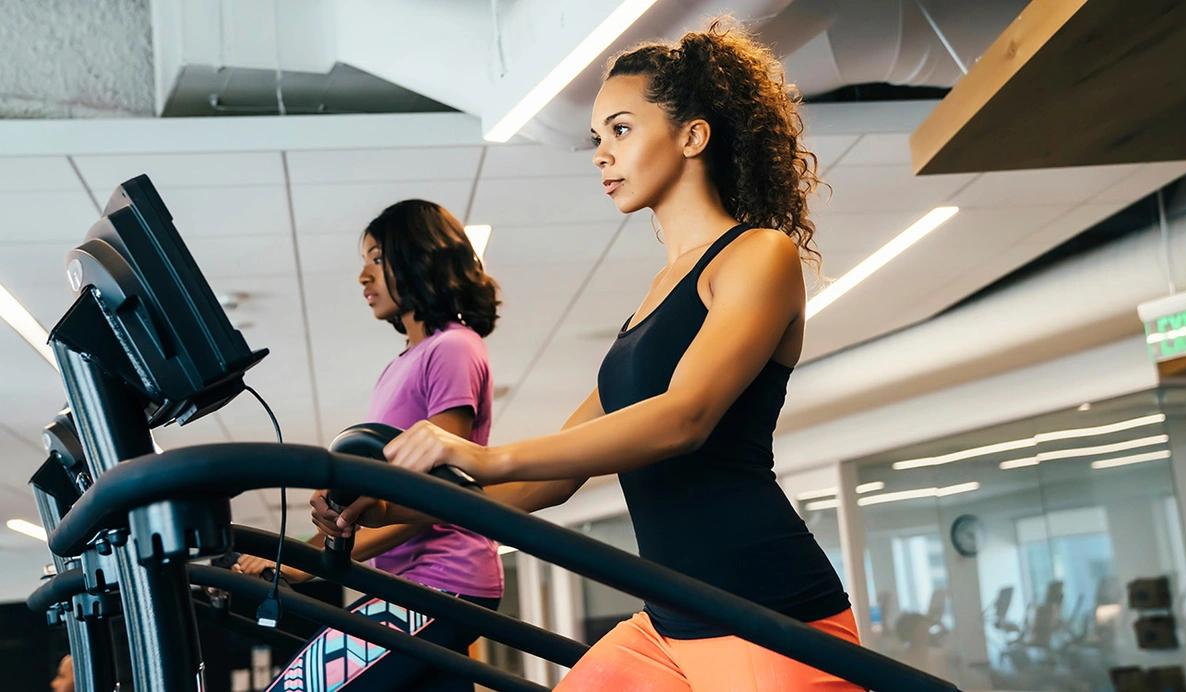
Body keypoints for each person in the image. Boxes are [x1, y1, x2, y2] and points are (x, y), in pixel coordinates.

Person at [316, 20, 861, 691]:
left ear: (692, 135)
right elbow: (552, 478)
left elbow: (683, 418)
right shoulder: (651, 304)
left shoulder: (757, 256)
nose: (602, 154)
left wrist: (484, 455)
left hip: (768, 612)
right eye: (597, 138)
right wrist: (393, 509)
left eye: (622, 130)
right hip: (669, 621)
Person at [238, 199, 504, 691]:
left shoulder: (453, 347)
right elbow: (383, 494)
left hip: (440, 580)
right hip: (410, 580)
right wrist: (311, 546)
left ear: (421, 256)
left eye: (378, 258)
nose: (364, 275)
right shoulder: (407, 359)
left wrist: (306, 561)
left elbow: (435, 492)